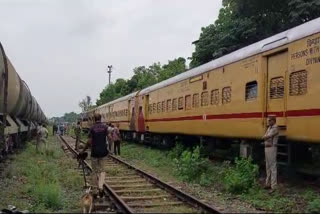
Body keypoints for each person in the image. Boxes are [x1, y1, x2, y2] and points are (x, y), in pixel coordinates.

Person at [80, 113, 109, 197]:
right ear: (101, 118)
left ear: (94, 119)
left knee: (94, 171)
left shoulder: (92, 128)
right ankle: (100, 186)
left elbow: (89, 141)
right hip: (103, 152)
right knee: (102, 171)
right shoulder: (105, 127)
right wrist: (109, 148)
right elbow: (109, 137)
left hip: (94, 152)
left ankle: (95, 190)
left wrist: (83, 150)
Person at [262, 115, 279, 192]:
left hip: (272, 148)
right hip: (267, 148)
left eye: (269, 120)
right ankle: (268, 183)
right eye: (268, 120)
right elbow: (265, 135)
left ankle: (274, 187)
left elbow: (266, 136)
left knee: (272, 167)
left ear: (273, 121)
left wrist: (265, 137)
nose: (268, 122)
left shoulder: (275, 128)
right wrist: (265, 136)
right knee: (267, 166)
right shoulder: (269, 128)